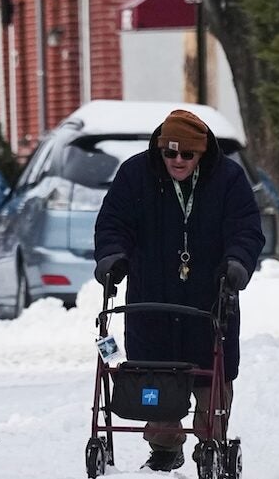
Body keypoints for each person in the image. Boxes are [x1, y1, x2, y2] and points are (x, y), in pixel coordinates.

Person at [93, 109, 265, 472]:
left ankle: (211, 440)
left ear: (201, 152)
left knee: (212, 375)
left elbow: (246, 230)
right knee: (154, 377)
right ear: (160, 151)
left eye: (187, 154)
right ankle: (165, 447)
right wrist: (113, 257)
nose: (178, 161)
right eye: (170, 153)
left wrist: (237, 263)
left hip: (210, 298)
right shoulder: (135, 175)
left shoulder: (228, 179)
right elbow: (113, 222)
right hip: (151, 298)